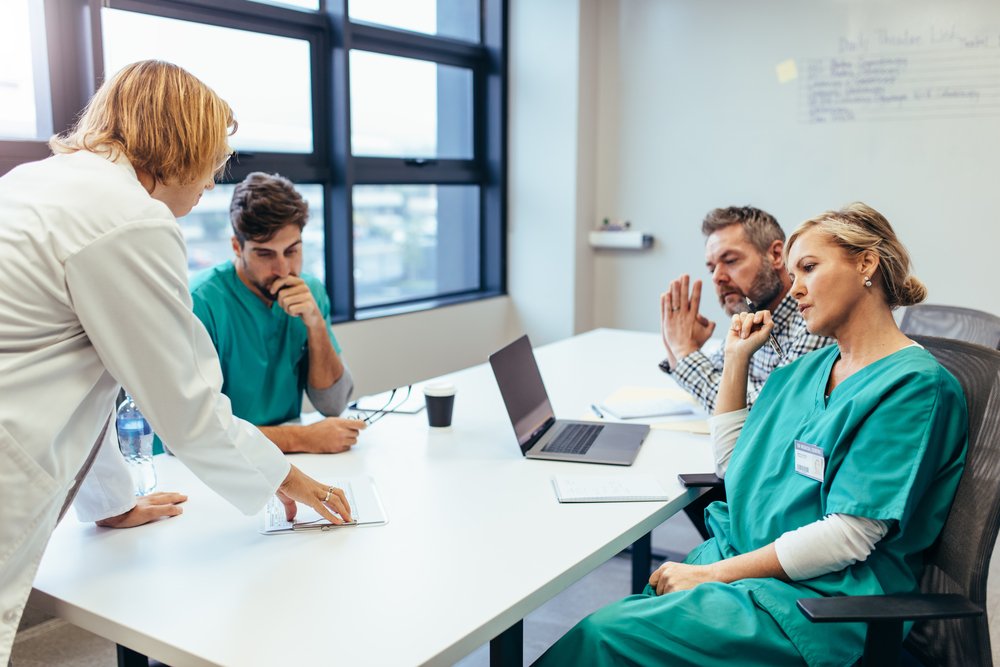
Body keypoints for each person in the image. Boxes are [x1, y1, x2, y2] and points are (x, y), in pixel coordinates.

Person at [0, 60, 351, 663]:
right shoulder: (128, 218)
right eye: (213, 163)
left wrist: (110, 503)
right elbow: (183, 405)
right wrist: (288, 477)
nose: (212, 183)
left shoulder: (37, 183)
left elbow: (90, 379)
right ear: (183, 149)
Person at [536, 202, 969, 666]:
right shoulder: (812, 369)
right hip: (750, 568)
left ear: (866, 264)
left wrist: (715, 576)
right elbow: (735, 465)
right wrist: (736, 359)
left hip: (817, 604)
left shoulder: (913, 387)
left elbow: (849, 537)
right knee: (623, 626)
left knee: (604, 636)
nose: (796, 289)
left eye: (808, 268)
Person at [187, 172, 363, 454]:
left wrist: (315, 324)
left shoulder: (311, 290)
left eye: (292, 250)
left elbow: (333, 404)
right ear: (236, 247)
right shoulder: (200, 302)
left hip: (283, 461)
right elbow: (194, 432)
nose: (283, 270)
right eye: (265, 254)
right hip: (210, 467)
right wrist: (301, 438)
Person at [660, 205, 833, 412]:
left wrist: (684, 351)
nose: (717, 277)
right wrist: (679, 344)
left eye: (730, 261)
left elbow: (760, 411)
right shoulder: (753, 313)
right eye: (712, 268)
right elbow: (717, 377)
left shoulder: (813, 319)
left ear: (776, 255)